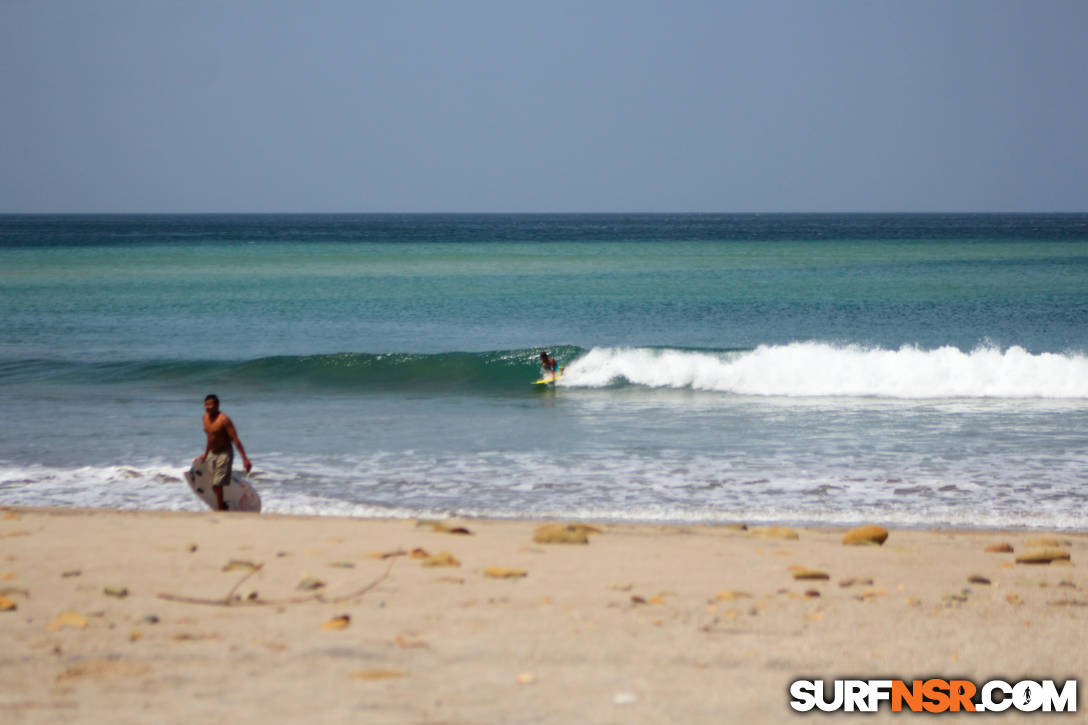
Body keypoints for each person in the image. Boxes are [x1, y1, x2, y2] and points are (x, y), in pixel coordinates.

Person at [200, 394, 252, 511]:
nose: (207, 407)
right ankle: (223, 505)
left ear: (217, 405)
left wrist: (245, 459)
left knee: (217, 484)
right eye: (206, 404)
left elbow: (235, 439)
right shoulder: (205, 418)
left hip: (225, 453)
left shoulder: (224, 420)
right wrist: (205, 453)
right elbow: (210, 437)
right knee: (214, 484)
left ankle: (220, 510)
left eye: (210, 404)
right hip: (212, 453)